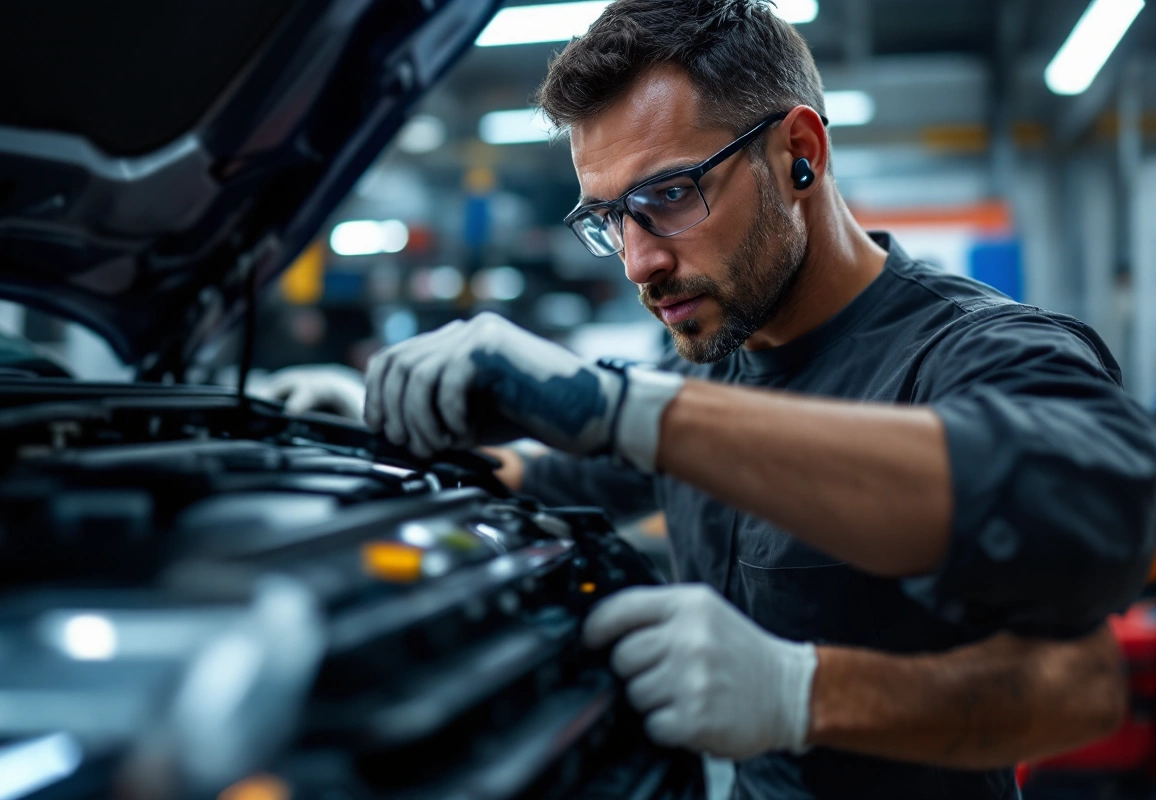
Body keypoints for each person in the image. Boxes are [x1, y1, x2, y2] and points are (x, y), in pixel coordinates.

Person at [354, 1, 1156, 796]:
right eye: (610, 219)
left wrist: (803, 694)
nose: (637, 263)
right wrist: (367, 421)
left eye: (669, 195)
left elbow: (1086, 681)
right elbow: (545, 477)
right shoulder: (710, 366)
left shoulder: (973, 350)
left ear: (799, 154)